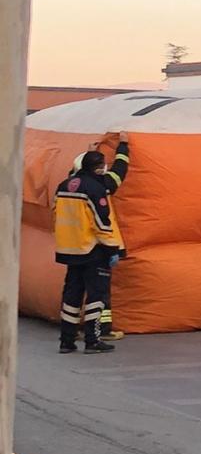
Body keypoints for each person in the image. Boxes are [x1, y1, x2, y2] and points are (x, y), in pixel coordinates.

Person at [54, 133, 131, 354]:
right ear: (100, 167)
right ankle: (92, 340)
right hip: (92, 250)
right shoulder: (98, 188)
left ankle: (66, 341)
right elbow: (101, 223)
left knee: (72, 295)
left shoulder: (64, 185)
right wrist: (111, 249)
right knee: (96, 296)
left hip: (70, 249)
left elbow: (55, 215)